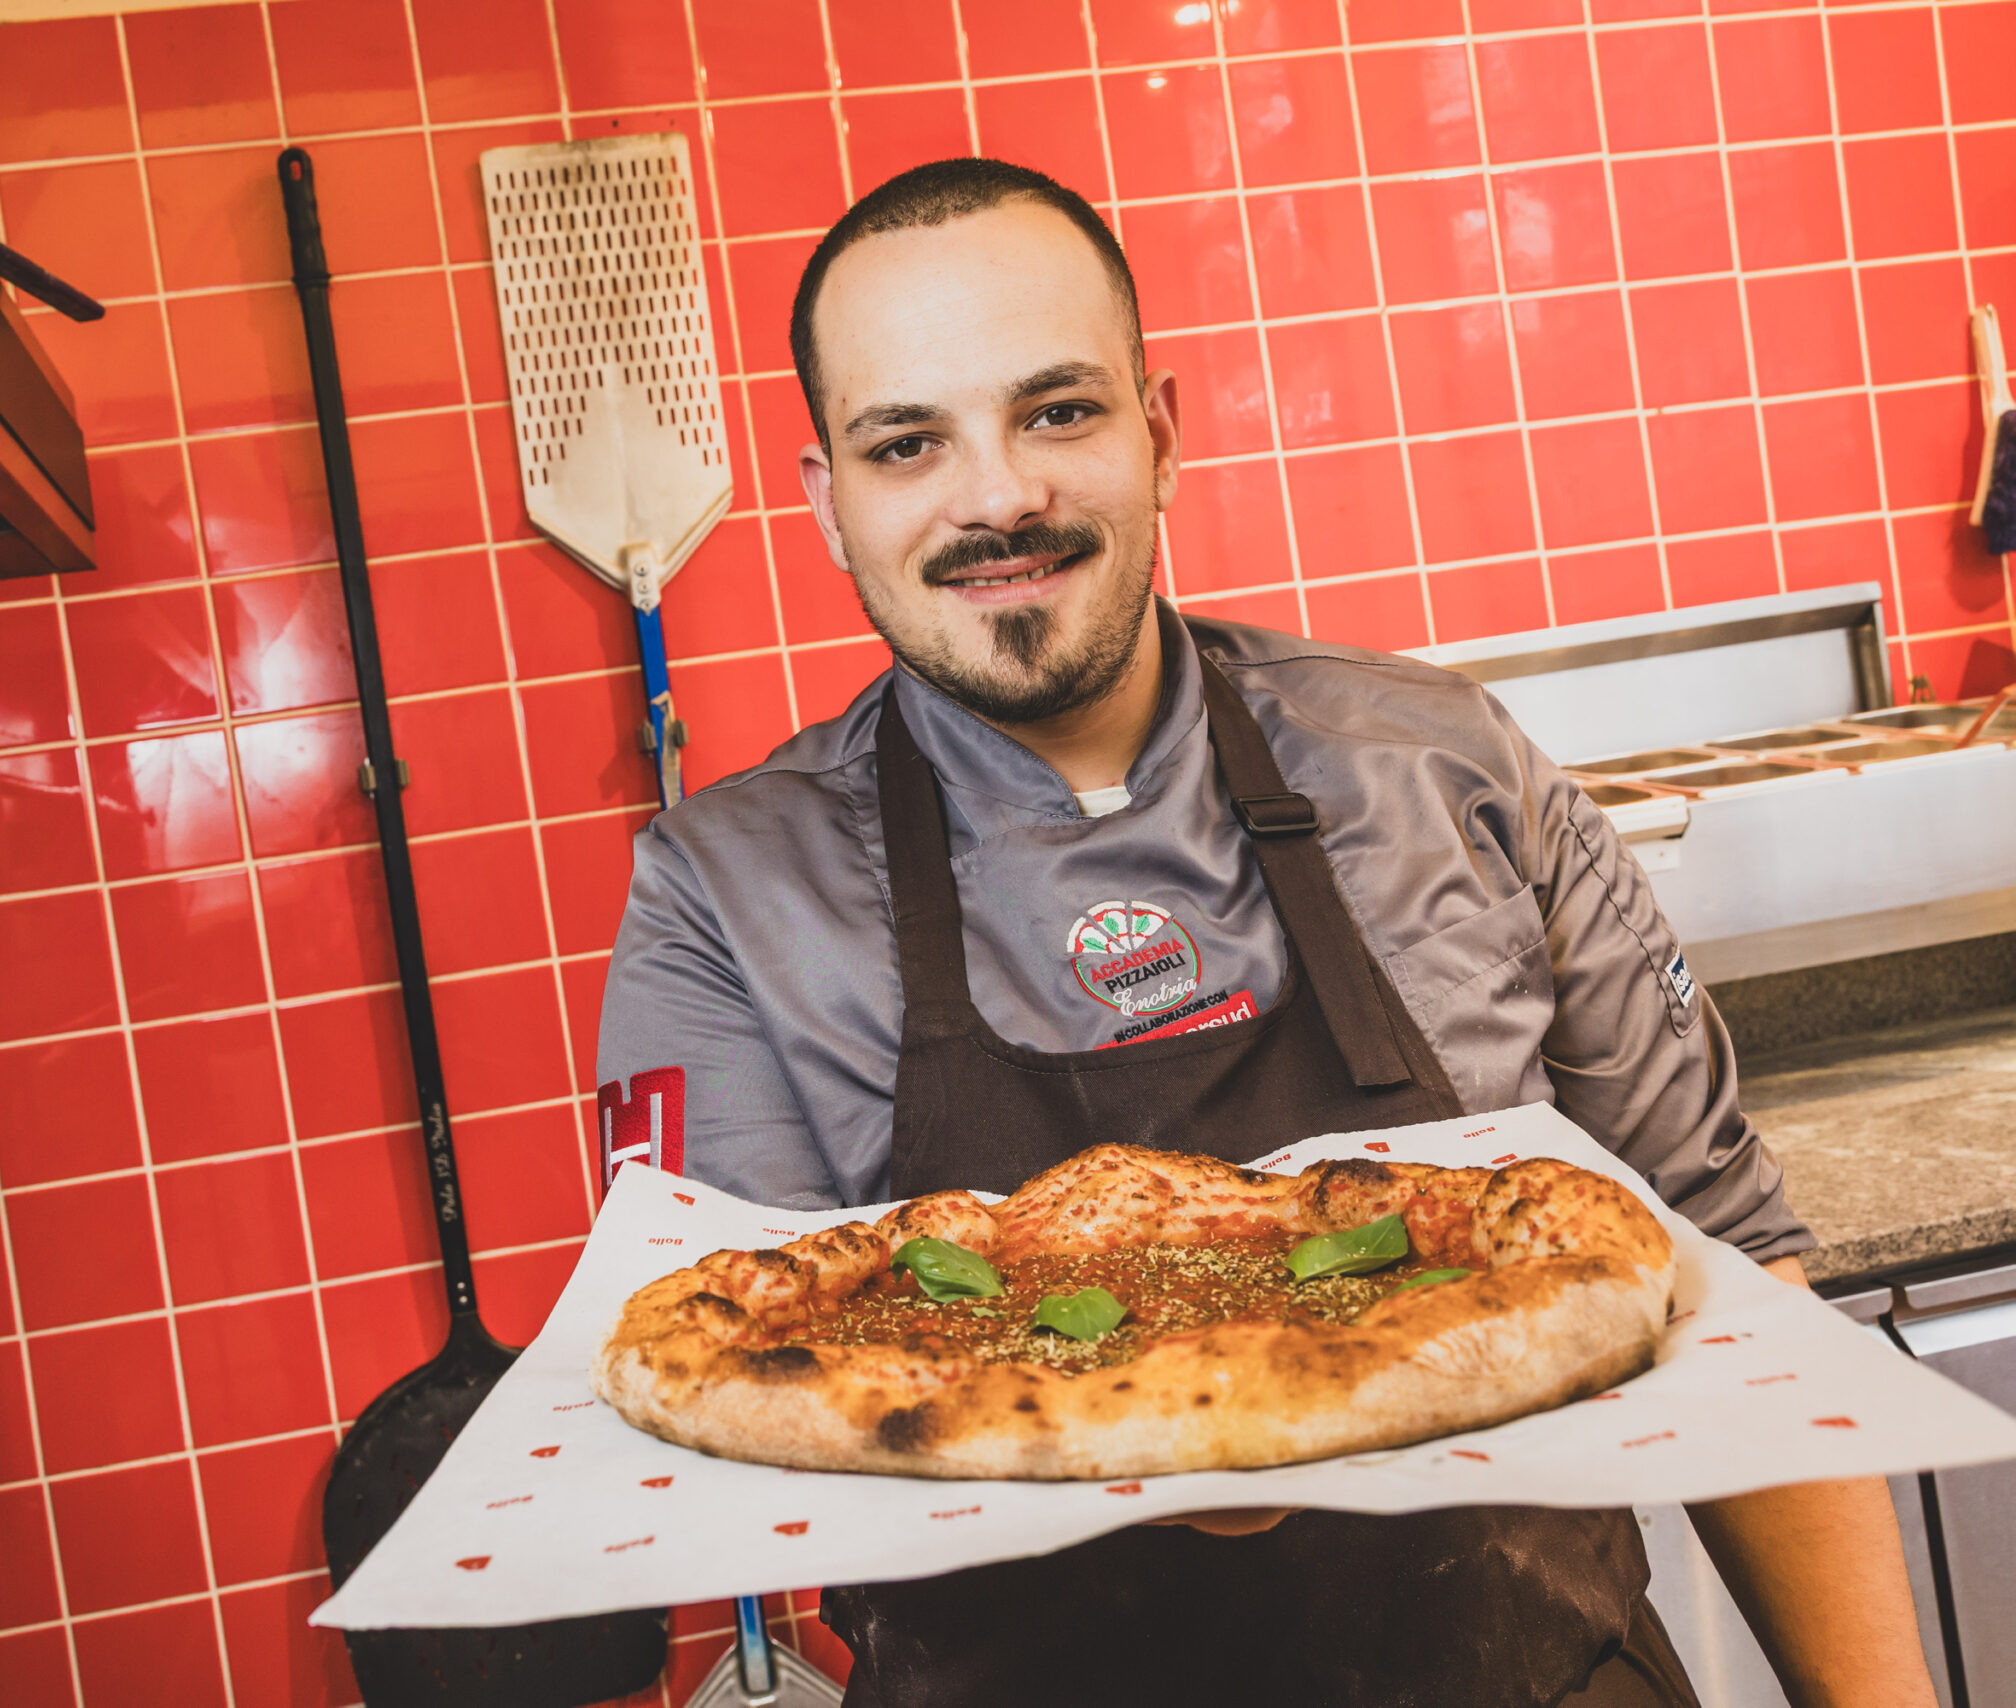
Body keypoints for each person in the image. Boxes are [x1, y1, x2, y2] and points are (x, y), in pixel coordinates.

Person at [592, 158, 1938, 1707]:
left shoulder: (1449, 771)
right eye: (909, 443)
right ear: (829, 499)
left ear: (1159, 432)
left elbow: (1737, 1287)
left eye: (1060, 411)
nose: (998, 497)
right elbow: (733, 1424)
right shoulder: (724, 899)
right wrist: (1128, 1433)